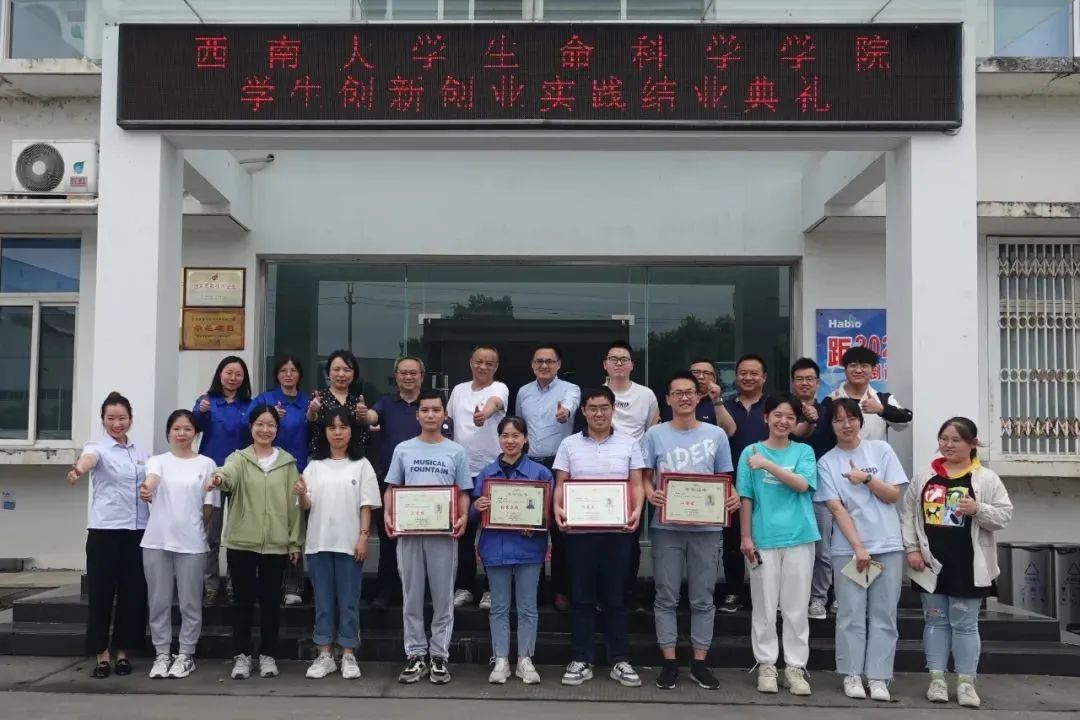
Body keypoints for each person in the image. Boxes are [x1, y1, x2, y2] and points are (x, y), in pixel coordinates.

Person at [901, 417, 1013, 709]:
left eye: (956, 440)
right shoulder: (925, 475)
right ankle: (937, 679)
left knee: (965, 625)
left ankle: (966, 682)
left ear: (972, 444)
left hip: (968, 564)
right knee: (935, 621)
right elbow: (909, 514)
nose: (948, 445)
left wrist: (978, 509)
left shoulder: (986, 478)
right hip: (930, 564)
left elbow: (1003, 516)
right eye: (944, 439)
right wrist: (912, 549)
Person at [643, 372, 739, 691]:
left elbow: (725, 479)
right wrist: (650, 493)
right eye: (677, 393)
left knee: (703, 597)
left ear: (698, 398)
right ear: (667, 399)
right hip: (666, 526)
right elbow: (644, 477)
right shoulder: (655, 434)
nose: (684, 398)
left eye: (689, 392)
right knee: (666, 595)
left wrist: (732, 496)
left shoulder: (716, 435)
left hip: (706, 527)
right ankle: (669, 662)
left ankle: (699, 662)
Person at [815, 399, 907, 701]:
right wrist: (858, 548)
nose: (846, 425)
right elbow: (836, 509)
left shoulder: (881, 450)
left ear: (860, 420)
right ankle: (852, 674)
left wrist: (866, 478)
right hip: (848, 549)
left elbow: (893, 495)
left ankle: (879, 676)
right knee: (850, 613)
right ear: (831, 425)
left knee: (884, 614)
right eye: (838, 420)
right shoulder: (827, 462)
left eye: (851, 418)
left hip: (887, 544)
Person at [553, 386, 645, 688]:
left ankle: (620, 659)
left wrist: (637, 511)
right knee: (582, 597)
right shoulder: (569, 444)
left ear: (613, 409)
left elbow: (636, 484)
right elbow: (561, 484)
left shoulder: (629, 443)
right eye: (592, 408)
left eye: (604, 407)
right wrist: (557, 508)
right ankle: (582, 659)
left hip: (618, 532)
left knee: (615, 596)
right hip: (580, 533)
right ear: (583, 411)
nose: (599, 413)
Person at [207, 405, 302, 681]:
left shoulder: (287, 463)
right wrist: (218, 478)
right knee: (242, 602)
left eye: (270, 425)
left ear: (277, 429)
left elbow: (294, 505)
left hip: (276, 544)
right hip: (242, 543)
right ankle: (242, 655)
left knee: (271, 603)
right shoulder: (239, 458)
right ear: (251, 427)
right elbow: (228, 475)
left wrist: (294, 543)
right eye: (260, 424)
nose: (265, 429)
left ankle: (268, 654)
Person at [383, 390, 471, 685]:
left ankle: (439, 655)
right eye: (425, 410)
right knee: (412, 596)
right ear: (417, 415)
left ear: (445, 415)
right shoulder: (403, 449)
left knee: (443, 597)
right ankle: (415, 654)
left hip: (443, 534)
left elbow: (463, 491)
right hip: (409, 532)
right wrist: (388, 515)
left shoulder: (456, 451)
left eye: (436, 410)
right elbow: (392, 488)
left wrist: (462, 516)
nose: (431, 415)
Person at [737, 394, 819, 697]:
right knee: (764, 606)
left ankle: (795, 667)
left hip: (799, 536)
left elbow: (802, 485)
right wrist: (746, 537)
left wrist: (768, 465)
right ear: (766, 417)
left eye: (790, 417)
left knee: (796, 607)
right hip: (764, 538)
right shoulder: (750, 452)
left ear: (796, 422)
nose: (783, 421)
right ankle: (767, 665)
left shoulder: (804, 451)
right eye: (777, 415)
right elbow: (746, 497)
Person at [66, 391, 148, 679]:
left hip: (136, 532)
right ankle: (101, 654)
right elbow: (88, 460)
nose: (117, 423)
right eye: (111, 418)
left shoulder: (140, 452)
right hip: (105, 532)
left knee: (131, 594)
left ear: (130, 419)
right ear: (103, 420)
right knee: (101, 594)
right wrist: (78, 470)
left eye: (122, 418)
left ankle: (123, 653)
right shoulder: (97, 447)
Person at [296, 407, 381, 680]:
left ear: (351, 431)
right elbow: (306, 505)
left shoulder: (362, 465)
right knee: (323, 601)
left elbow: (366, 505)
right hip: (319, 543)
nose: (338, 433)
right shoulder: (314, 466)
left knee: (348, 601)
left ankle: (348, 653)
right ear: (324, 432)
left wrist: (363, 536)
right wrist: (301, 494)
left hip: (350, 544)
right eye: (332, 427)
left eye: (343, 427)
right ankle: (324, 654)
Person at [472, 416, 554, 685]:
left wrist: (538, 523)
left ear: (525, 439)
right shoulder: (486, 473)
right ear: (499, 439)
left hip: (528, 549)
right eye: (505, 435)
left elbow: (549, 513)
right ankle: (501, 659)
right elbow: (473, 514)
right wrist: (477, 506)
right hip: (495, 548)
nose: (510, 441)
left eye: (516, 436)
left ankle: (525, 659)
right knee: (499, 607)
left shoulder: (541, 474)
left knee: (528, 607)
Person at [139, 410, 219, 680]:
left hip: (192, 543)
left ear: (195, 433)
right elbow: (152, 479)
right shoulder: (157, 461)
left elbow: (209, 507)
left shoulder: (207, 464)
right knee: (158, 601)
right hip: (157, 540)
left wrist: (192, 526)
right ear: (168, 433)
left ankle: (186, 654)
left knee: (190, 603)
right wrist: (147, 488)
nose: (182, 433)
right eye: (176, 428)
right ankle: (162, 653)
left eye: (187, 429)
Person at [515, 344, 580, 612]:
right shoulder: (523, 392)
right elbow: (519, 426)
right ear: (532, 365)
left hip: (559, 465)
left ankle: (562, 590)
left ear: (558, 365)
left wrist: (565, 412)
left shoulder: (570, 389)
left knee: (561, 530)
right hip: (530, 464)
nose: (544, 366)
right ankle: (535, 588)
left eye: (549, 361)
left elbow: (570, 406)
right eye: (539, 361)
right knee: (531, 527)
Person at [362, 356, 427, 610]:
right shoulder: (386, 403)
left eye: (413, 373)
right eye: (403, 373)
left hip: (425, 482)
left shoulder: (429, 404)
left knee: (422, 541)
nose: (408, 377)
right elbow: (372, 416)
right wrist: (363, 414)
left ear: (421, 376)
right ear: (396, 376)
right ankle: (386, 590)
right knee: (389, 538)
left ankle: (420, 592)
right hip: (392, 482)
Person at [447, 345, 508, 609]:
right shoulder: (459, 390)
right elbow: (448, 422)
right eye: (479, 362)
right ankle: (465, 587)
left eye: (489, 363)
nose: (483, 367)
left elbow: (494, 404)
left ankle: (492, 589)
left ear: (496, 367)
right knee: (463, 532)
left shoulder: (500, 388)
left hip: (493, 473)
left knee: (494, 534)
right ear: (471, 362)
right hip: (462, 472)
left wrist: (484, 414)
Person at [193, 355, 254, 605]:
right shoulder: (207, 401)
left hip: (241, 474)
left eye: (238, 374)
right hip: (212, 475)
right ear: (220, 374)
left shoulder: (250, 404)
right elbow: (193, 427)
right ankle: (210, 584)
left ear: (244, 378)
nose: (233, 378)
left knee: (237, 533)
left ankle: (233, 584)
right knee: (211, 533)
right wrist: (200, 412)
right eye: (229, 373)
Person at [602, 341, 657, 609]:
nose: (619, 363)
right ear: (605, 364)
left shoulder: (646, 395)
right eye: (614, 359)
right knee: (602, 534)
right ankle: (603, 592)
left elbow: (651, 431)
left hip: (634, 472)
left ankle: (627, 591)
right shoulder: (597, 394)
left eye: (624, 359)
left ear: (632, 365)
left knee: (630, 535)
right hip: (602, 474)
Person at [253, 355, 311, 607]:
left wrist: (314, 414)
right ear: (276, 374)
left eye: (293, 370)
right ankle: (267, 585)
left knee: (294, 528)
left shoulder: (307, 402)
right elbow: (249, 425)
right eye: (283, 370)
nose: (288, 374)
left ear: (299, 374)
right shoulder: (265, 399)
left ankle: (294, 586)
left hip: (297, 469)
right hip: (266, 469)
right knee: (267, 525)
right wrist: (270, 416)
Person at [717, 353, 770, 614]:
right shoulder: (723, 407)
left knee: (768, 539)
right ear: (736, 377)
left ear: (764, 377)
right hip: (733, 483)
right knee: (732, 542)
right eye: (743, 373)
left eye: (754, 373)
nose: (748, 377)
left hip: (769, 483)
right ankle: (734, 591)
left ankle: (768, 593)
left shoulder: (773, 407)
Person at [789, 358, 838, 621]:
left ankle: (819, 597)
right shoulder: (785, 410)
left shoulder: (829, 411)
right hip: (787, 490)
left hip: (821, 490)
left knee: (822, 548)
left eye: (809, 379)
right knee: (790, 547)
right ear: (793, 383)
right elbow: (797, 434)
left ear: (818, 383)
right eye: (799, 379)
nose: (804, 383)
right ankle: (792, 597)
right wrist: (806, 421)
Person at [829, 346, 912, 442]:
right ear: (845, 369)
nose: (858, 370)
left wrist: (881, 409)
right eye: (853, 365)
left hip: (876, 452)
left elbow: (906, 422)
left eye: (864, 366)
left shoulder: (883, 399)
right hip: (842, 451)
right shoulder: (831, 399)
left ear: (873, 369)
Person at [306, 349, 372, 459]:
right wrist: (312, 411)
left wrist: (362, 418)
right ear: (328, 372)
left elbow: (363, 435)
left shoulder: (358, 402)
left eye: (347, 370)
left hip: (352, 460)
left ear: (354, 374)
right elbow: (310, 420)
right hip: (322, 459)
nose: (341, 374)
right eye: (336, 369)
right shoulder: (319, 397)